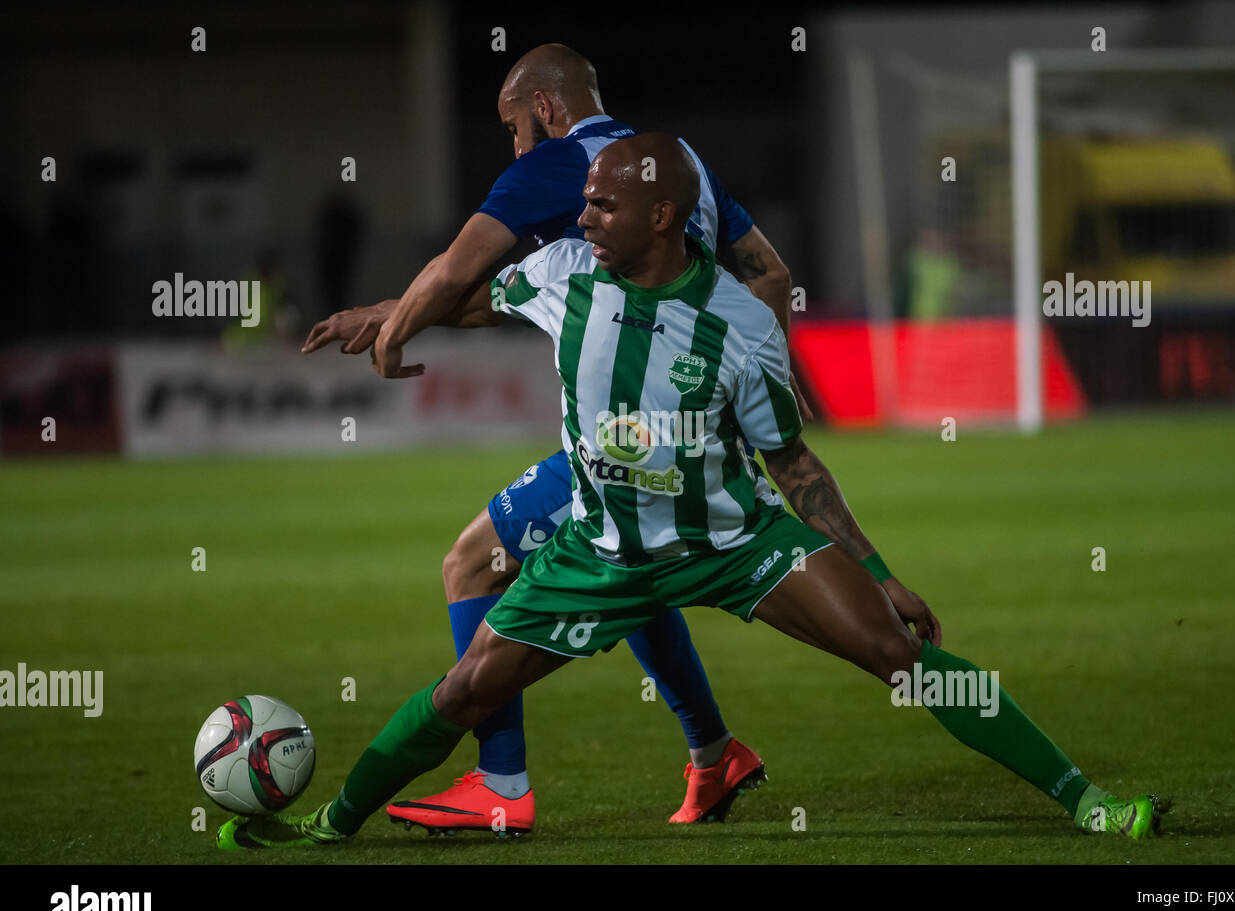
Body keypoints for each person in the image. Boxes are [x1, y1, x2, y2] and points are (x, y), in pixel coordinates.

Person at [221, 134, 1167, 851]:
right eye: (582, 203)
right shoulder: (560, 274)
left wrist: (879, 570)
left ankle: (1089, 802)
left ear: (662, 217)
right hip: (599, 555)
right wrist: (385, 318)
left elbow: (793, 466)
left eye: (598, 206)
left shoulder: (743, 325)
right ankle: (330, 826)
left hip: (735, 542)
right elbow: (464, 295)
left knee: (897, 650)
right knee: (465, 688)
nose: (580, 217)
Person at [301, 44, 804, 832]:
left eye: (512, 127)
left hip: (624, 448)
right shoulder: (675, 166)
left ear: (541, 108)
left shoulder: (565, 165)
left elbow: (454, 273)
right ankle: (714, 754)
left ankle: (502, 780)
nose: (513, 147)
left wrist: (393, 330)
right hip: (681, 438)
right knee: (629, 573)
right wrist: (757, 384)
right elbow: (768, 272)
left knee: (472, 562)